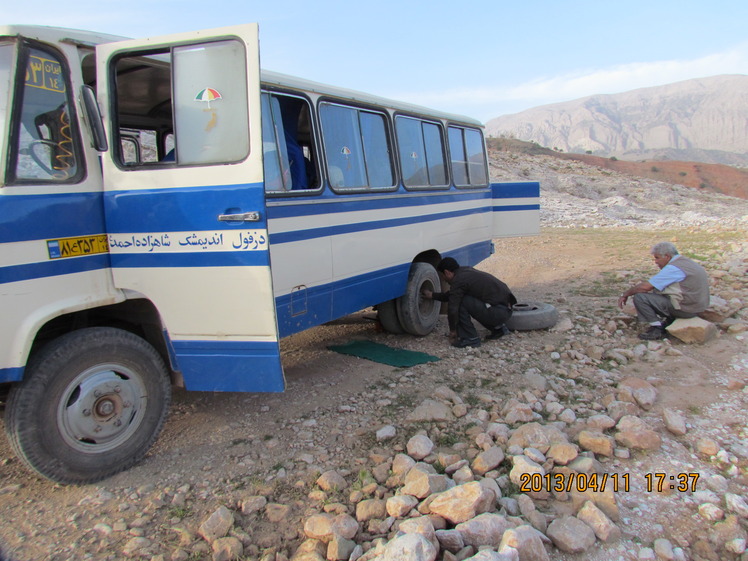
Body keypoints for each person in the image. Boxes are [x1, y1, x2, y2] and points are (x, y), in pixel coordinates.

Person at [618, 241, 710, 340]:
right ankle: (670, 320)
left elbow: (646, 287)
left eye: (657, 258)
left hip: (686, 309)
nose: (656, 261)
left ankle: (656, 328)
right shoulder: (686, 262)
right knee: (658, 291)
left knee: (640, 297)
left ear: (667, 256)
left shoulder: (673, 268)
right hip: (698, 307)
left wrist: (626, 294)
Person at [423, 257, 517, 348]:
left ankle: (470, 338)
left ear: (447, 272)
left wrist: (453, 330)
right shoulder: (465, 271)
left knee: (460, 302)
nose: (443, 279)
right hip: (505, 309)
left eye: (443, 276)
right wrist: (432, 295)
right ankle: (499, 329)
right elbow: (453, 294)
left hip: (499, 312)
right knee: (465, 299)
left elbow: (452, 308)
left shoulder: (459, 280)